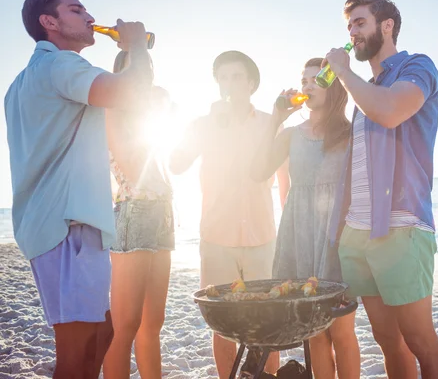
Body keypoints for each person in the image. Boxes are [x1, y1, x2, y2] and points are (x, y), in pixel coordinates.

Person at [3, 0, 153, 378]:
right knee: (78, 350)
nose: (89, 17)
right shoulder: (61, 65)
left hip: (50, 223)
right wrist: (136, 45)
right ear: (48, 21)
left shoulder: (21, 81)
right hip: (67, 225)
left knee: (101, 335)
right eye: (75, 10)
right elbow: (133, 92)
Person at [325, 0, 438, 379]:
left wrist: (343, 73)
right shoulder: (364, 89)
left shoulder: (417, 67)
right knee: (386, 338)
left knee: (419, 339)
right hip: (359, 229)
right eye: (349, 26)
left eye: (360, 23)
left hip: (401, 225)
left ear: (387, 27)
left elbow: (391, 111)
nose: (352, 32)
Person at [169, 50, 287, 378]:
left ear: (251, 83)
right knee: (222, 326)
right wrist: (203, 130)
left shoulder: (270, 123)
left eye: (236, 76)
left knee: (269, 325)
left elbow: (283, 176)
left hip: (263, 237)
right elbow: (175, 165)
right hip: (216, 238)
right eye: (223, 77)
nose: (229, 83)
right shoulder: (203, 124)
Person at [250, 57, 360, 379]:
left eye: (316, 80)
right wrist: (274, 121)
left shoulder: (350, 133)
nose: (308, 86)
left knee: (341, 331)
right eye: (304, 81)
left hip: (335, 238)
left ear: (333, 86)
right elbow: (257, 172)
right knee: (313, 332)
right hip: (297, 238)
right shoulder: (290, 135)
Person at [102, 50, 175, 379]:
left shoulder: (151, 110)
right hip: (134, 210)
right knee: (125, 325)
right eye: (135, 68)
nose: (145, 74)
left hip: (163, 211)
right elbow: (132, 166)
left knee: (152, 323)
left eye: (148, 67)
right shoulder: (115, 107)